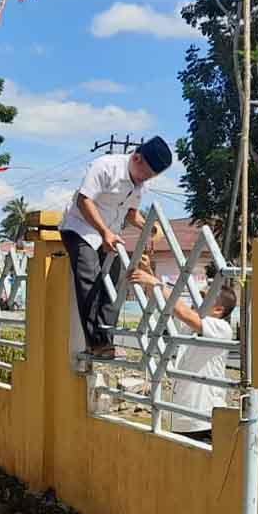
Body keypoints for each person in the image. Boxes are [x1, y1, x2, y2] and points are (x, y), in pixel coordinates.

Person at [60, 136, 173, 359]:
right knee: (90, 278)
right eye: (146, 174)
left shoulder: (139, 186)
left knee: (117, 278)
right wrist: (104, 232)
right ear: (137, 157)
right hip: (80, 229)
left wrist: (148, 227)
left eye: (151, 177)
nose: (145, 180)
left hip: (108, 236)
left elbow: (131, 213)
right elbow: (84, 201)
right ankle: (95, 343)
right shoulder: (105, 166)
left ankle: (106, 338)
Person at [130, 258, 236, 442]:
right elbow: (167, 306)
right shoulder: (192, 326)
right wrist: (148, 273)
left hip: (203, 420)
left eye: (203, 298)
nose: (196, 300)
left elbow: (184, 312)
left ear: (218, 310)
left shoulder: (221, 328)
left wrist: (155, 283)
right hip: (182, 417)